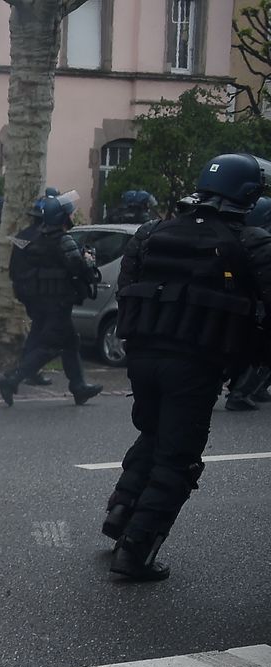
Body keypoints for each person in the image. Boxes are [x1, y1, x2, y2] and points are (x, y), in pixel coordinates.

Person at [101, 153, 271, 581]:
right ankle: (136, 552)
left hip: (142, 358)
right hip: (196, 363)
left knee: (154, 434)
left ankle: (121, 512)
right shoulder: (250, 242)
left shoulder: (152, 231)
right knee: (178, 459)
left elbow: (128, 290)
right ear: (248, 194)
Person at [0, 189, 103, 406]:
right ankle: (11, 378)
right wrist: (88, 261)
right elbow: (79, 268)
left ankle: (79, 386)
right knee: (50, 345)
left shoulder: (38, 240)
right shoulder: (63, 241)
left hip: (41, 302)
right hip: (58, 303)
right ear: (63, 217)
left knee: (70, 342)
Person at [223, 196, 271, 411]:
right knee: (258, 350)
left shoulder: (237, 235)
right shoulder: (258, 239)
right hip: (254, 303)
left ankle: (249, 389)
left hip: (242, 303)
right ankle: (241, 392)